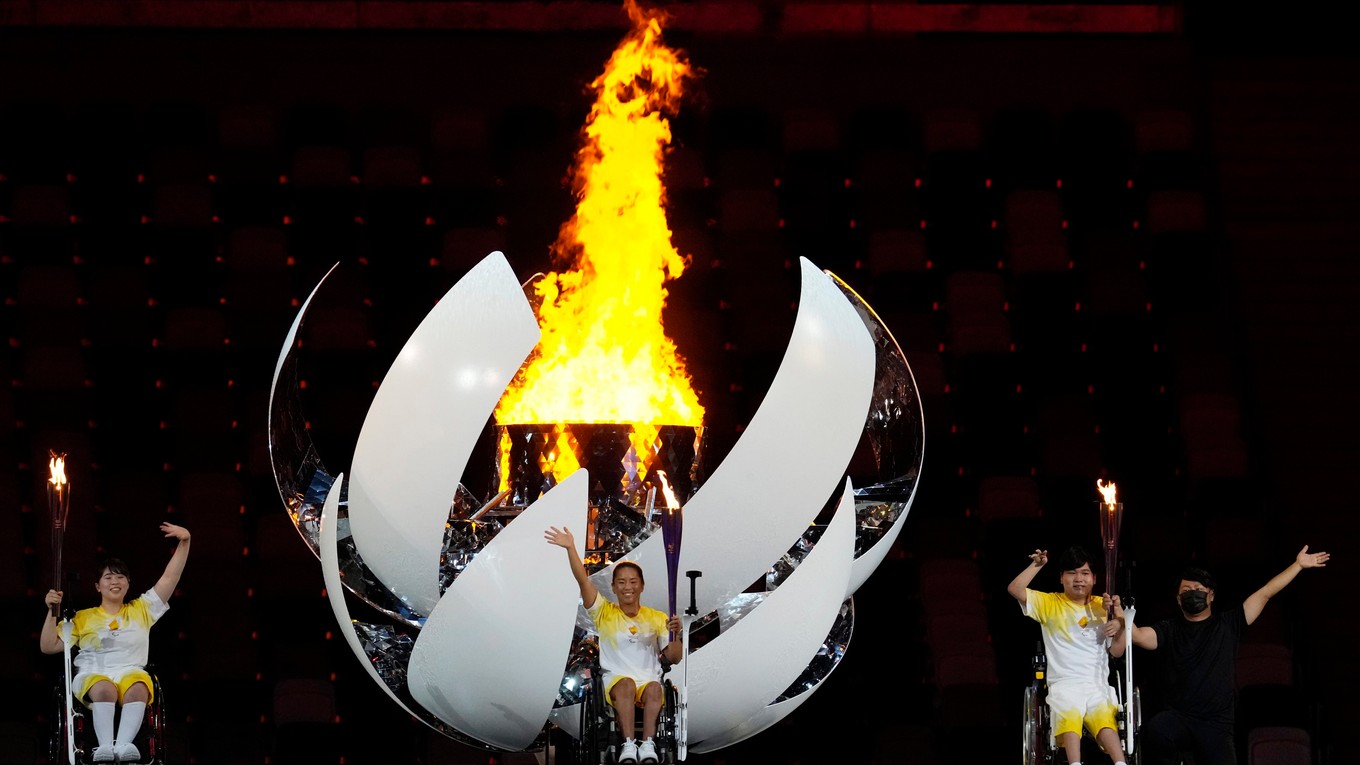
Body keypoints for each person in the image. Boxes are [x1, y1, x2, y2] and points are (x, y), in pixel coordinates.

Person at [1116, 545, 1329, 765]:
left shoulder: (1229, 624)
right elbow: (1139, 635)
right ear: (1178, 600)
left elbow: (1266, 592)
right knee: (1157, 729)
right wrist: (1122, 619)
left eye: (1198, 589)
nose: (1192, 594)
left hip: (1216, 724)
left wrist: (1297, 565)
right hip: (1179, 717)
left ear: (1211, 596)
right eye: (1186, 591)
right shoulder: (1169, 629)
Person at [40, 522, 192, 764]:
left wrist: (185, 542)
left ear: (128, 584)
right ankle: (104, 748)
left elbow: (170, 577)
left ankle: (123, 745)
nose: (115, 581)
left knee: (140, 687)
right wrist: (51, 612)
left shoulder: (142, 609)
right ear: (98, 586)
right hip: (93, 674)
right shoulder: (82, 617)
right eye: (108, 576)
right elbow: (48, 646)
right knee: (104, 689)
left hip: (130, 672)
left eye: (120, 576)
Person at [546, 525, 681, 764]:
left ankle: (647, 744)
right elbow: (582, 580)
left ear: (641, 585)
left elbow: (674, 657)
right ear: (614, 587)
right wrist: (570, 548)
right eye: (621, 582)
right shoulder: (604, 612)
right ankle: (628, 746)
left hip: (649, 679)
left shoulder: (658, 617)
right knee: (627, 684)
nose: (627, 587)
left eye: (632, 582)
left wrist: (675, 635)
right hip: (616, 680)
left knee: (653, 688)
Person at [1008, 546, 1129, 765]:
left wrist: (1120, 622)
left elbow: (1117, 651)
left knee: (1103, 717)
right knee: (1070, 712)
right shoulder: (1049, 603)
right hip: (1064, 683)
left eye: (1084, 573)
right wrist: (1037, 565)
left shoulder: (1106, 607)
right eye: (1071, 573)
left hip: (1096, 683)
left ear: (1094, 578)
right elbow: (1015, 589)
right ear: (1061, 578)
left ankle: (1120, 763)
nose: (1078, 579)